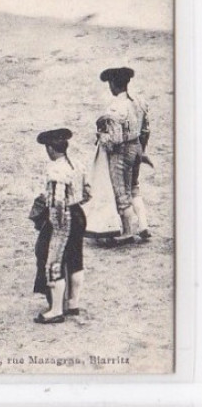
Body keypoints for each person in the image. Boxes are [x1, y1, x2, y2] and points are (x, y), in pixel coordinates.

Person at [32, 128, 88, 325]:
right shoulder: (77, 164)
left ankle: (56, 310)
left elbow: (57, 202)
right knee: (75, 259)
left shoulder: (55, 170)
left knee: (53, 261)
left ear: (50, 148)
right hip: (79, 213)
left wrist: (56, 224)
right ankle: (73, 303)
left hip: (63, 217)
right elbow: (87, 192)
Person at [96, 66, 151, 246]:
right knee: (134, 186)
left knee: (121, 192)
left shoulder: (115, 108)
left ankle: (129, 230)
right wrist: (141, 151)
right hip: (136, 147)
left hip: (121, 153)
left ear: (112, 84)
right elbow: (145, 130)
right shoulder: (139, 102)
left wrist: (100, 137)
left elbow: (115, 139)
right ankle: (143, 225)